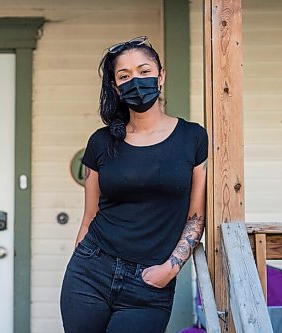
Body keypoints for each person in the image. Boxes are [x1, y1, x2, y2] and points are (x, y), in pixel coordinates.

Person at [59, 36, 208, 333]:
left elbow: (196, 216)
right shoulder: (100, 142)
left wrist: (171, 268)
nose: (135, 81)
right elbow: (89, 219)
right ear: (115, 87)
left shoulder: (193, 138)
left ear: (161, 75)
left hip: (149, 284)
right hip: (90, 273)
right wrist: (81, 257)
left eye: (144, 71)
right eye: (124, 76)